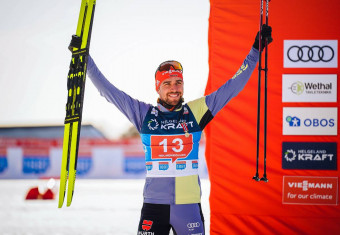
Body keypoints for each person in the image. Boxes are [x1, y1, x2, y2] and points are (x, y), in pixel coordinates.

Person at [83, 25, 272, 235]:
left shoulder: (196, 111)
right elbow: (108, 91)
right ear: (158, 87)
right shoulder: (144, 114)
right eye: (168, 83)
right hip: (154, 207)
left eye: (178, 82)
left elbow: (233, 86)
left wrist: (255, 50)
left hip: (188, 207)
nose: (174, 88)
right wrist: (86, 62)